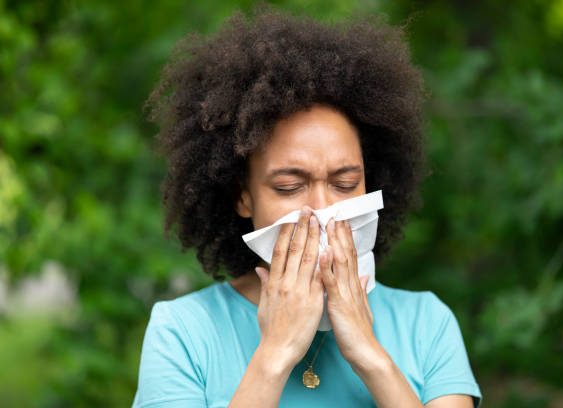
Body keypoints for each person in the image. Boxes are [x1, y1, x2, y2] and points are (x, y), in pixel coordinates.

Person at [132, 3, 482, 407]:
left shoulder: (426, 324)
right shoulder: (183, 332)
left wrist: (369, 355)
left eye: (345, 183)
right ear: (242, 195)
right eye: (289, 187)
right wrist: (274, 355)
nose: (321, 209)